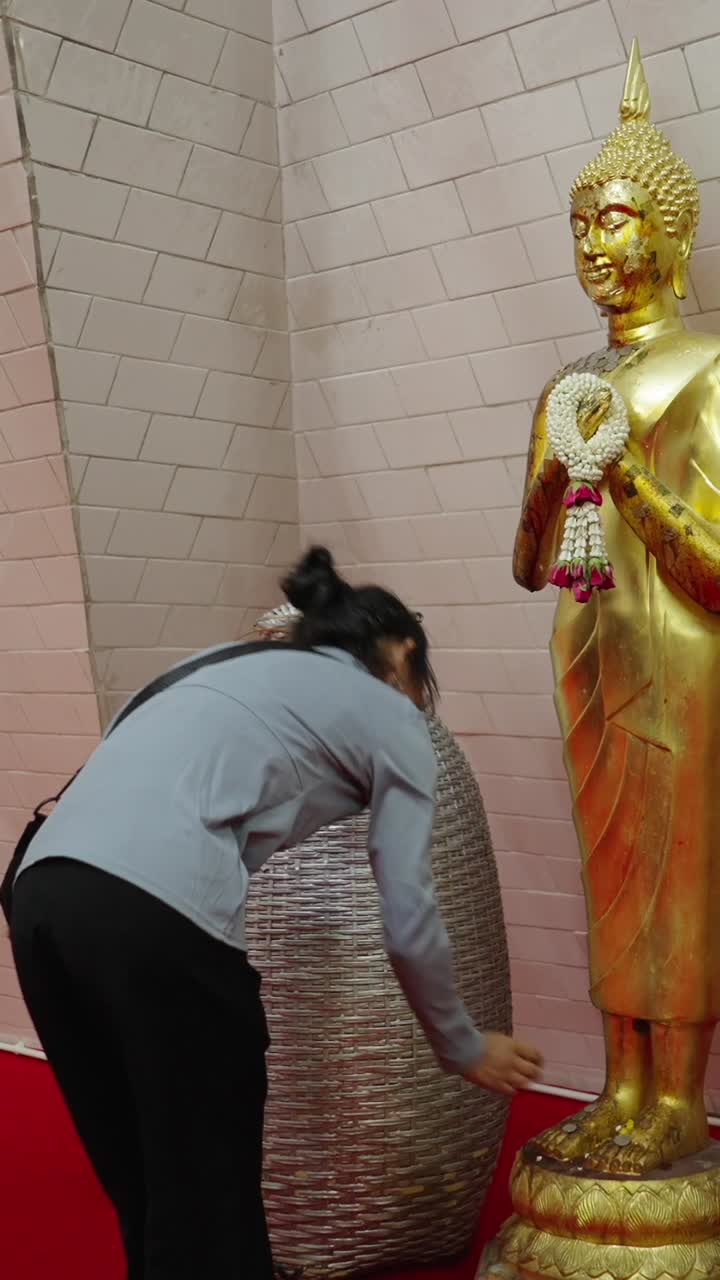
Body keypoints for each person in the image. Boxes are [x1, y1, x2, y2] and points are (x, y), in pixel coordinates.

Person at [10, 547, 542, 1280]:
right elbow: (409, 912)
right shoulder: (392, 714)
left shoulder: (214, 662)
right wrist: (462, 1045)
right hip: (158, 917)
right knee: (209, 1195)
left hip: (40, 903)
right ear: (403, 652)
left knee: (144, 1181)